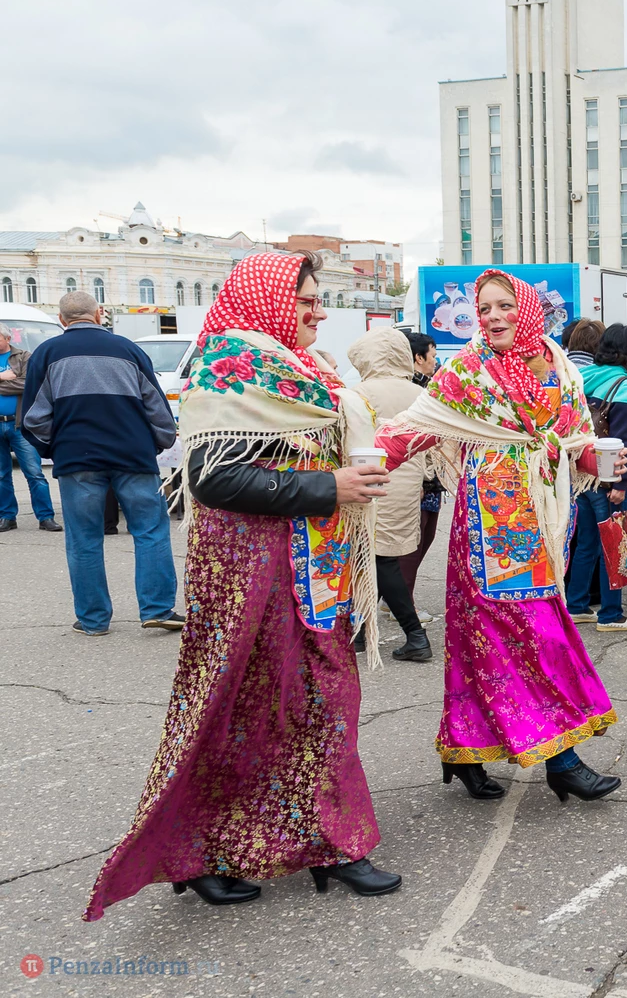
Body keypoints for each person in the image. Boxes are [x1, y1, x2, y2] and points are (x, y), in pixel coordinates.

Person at [86, 251, 399, 920]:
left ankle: (332, 843)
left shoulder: (301, 367)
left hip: (314, 564)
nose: (319, 312)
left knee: (322, 700)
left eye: (318, 299)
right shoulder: (229, 365)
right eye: (306, 300)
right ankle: (199, 853)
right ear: (267, 300)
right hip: (250, 573)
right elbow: (213, 478)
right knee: (237, 709)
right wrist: (327, 486)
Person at [378, 270, 625, 804]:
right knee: (537, 635)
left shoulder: (559, 365)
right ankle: (563, 761)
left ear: (528, 309)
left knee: (483, 639)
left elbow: (574, 440)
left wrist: (594, 460)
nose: (492, 317)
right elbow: (415, 428)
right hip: (493, 522)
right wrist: (359, 467)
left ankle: (462, 750)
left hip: (546, 517)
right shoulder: (468, 370)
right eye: (484, 308)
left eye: (504, 305)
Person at [20, 292, 182, 635]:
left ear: (62, 320)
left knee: (84, 539)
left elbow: (34, 418)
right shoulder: (129, 349)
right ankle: (157, 609)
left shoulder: (46, 353)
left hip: (77, 459)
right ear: (99, 314)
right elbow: (157, 409)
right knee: (150, 531)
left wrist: (57, 447)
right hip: (133, 455)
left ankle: (93, 620)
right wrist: (156, 444)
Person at [348, 328, 433, 662]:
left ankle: (415, 636)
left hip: (369, 480)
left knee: (375, 558)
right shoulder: (419, 392)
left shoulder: (357, 392)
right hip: (408, 481)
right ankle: (360, 630)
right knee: (379, 557)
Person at [569, 323, 627, 631]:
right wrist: (621, 484)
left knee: (586, 543)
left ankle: (577, 606)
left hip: (582, 475)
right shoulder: (626, 386)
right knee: (613, 544)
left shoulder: (582, 377)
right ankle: (611, 615)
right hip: (608, 479)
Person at [0, 326, 58, 532]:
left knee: (34, 473)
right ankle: (7, 517)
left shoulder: (24, 357)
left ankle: (46, 517)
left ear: (7, 338)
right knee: (1, 475)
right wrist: (3, 377)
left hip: (18, 425)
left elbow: (27, 384)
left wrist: (11, 381)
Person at [400, 331, 443, 608]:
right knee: (412, 544)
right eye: (433, 356)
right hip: (418, 478)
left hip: (430, 479)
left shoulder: (427, 386)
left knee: (424, 539)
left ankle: (396, 598)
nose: (435, 361)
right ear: (418, 357)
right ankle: (403, 603)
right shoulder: (414, 391)